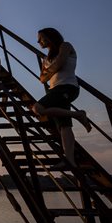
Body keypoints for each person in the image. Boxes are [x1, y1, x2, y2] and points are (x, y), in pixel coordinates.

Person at [31, 28, 91, 169]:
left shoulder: (65, 46)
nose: (38, 41)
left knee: (37, 108)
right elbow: (42, 79)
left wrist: (50, 70)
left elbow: (60, 64)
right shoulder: (46, 58)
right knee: (65, 126)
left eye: (41, 38)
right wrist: (52, 68)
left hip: (68, 88)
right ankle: (69, 160)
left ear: (50, 36)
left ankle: (78, 115)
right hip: (55, 90)